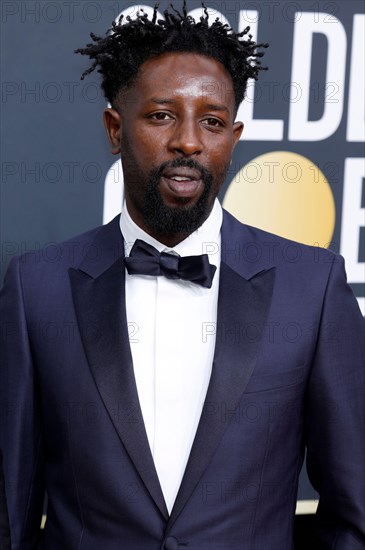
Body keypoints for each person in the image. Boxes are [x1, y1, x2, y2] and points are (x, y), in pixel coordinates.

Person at [1, 3, 364, 549]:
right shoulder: (37, 289)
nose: (189, 143)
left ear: (234, 137)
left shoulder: (311, 287)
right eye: (162, 115)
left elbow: (355, 510)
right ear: (114, 129)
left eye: (212, 122)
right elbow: (11, 512)